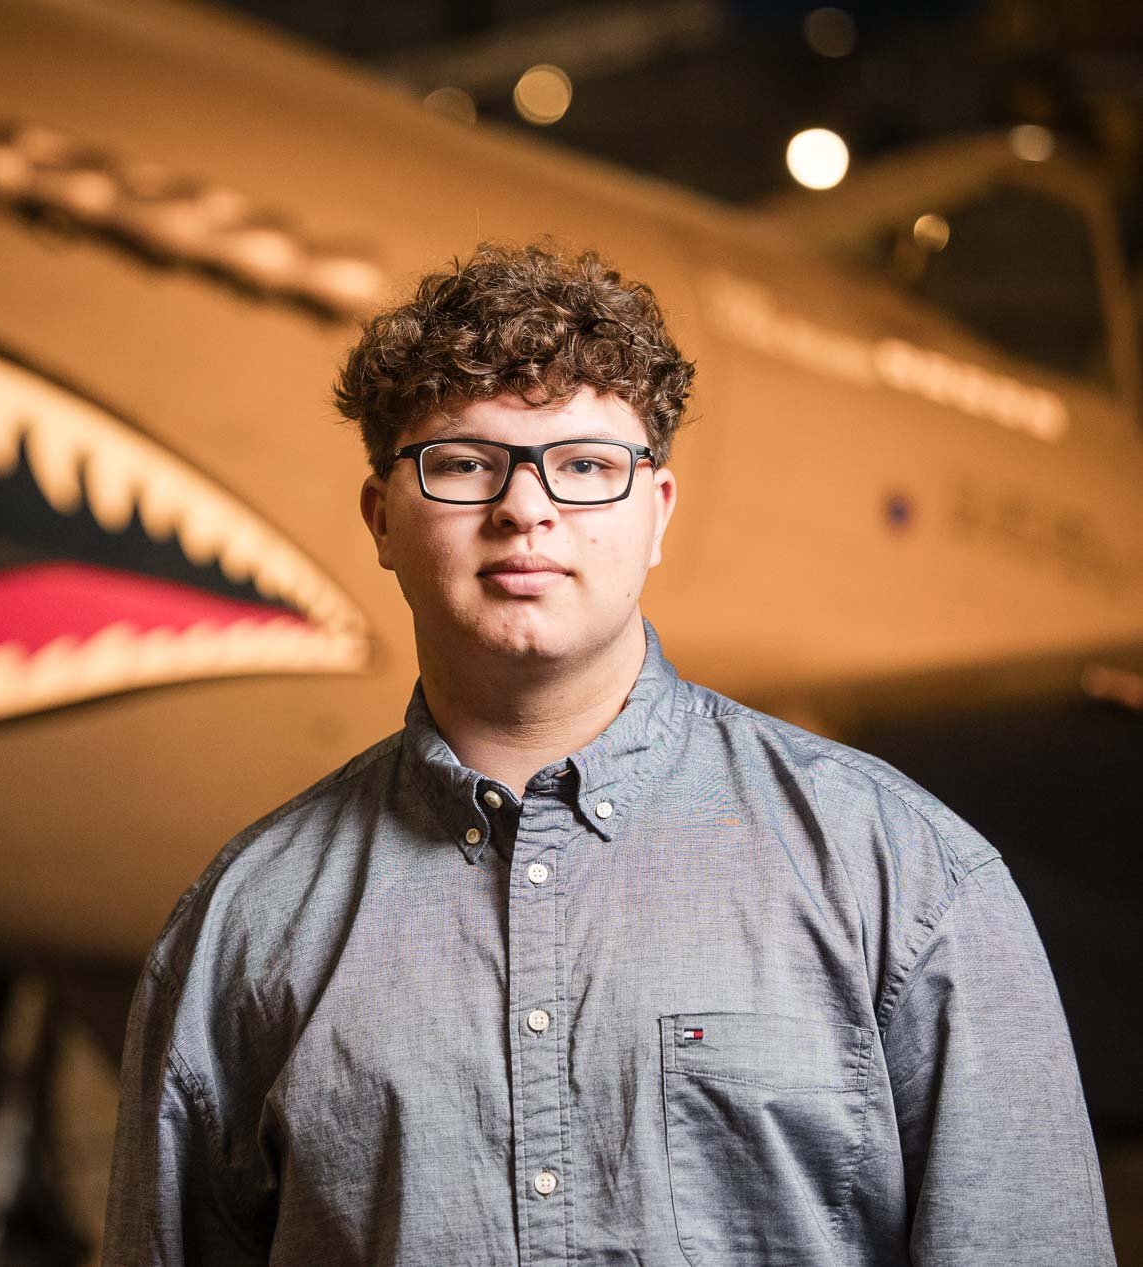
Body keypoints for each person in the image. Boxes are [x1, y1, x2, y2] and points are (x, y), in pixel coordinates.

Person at [100, 241, 1117, 1265]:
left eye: (584, 465)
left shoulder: (904, 876)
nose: (525, 508)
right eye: (462, 463)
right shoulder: (246, 921)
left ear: (656, 513)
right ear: (380, 518)